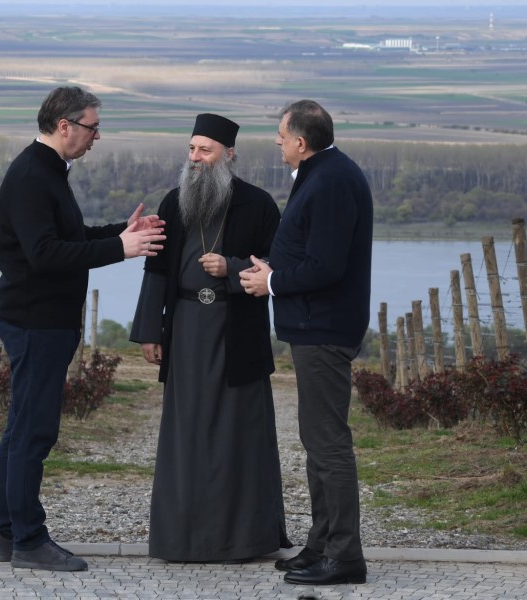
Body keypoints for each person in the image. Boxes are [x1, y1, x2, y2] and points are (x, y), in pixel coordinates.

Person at [0, 86, 165, 572]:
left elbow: (68, 239)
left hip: (43, 319)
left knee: (21, 427)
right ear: (63, 126)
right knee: (34, 430)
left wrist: (120, 233)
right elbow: (46, 255)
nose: (96, 136)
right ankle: (28, 540)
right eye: (91, 127)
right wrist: (121, 250)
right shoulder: (31, 176)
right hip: (35, 320)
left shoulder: (49, 172)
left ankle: (7, 533)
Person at [129, 113, 292, 563]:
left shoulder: (258, 206)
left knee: (238, 436)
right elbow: (156, 269)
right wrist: (149, 330)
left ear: (229, 155)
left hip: (236, 332)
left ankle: (242, 541)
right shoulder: (173, 201)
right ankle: (181, 539)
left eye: (206, 150)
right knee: (187, 433)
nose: (196, 158)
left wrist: (234, 268)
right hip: (184, 331)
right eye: (192, 149)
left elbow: (275, 268)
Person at [239, 100, 373, 585]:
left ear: (301, 140)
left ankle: (345, 557)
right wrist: (272, 269)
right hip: (314, 326)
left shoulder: (332, 180)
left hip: (325, 328)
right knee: (317, 444)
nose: (277, 142)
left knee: (328, 444)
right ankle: (321, 545)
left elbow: (327, 266)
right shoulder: (323, 172)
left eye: (281, 135)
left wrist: (271, 283)